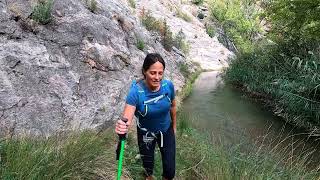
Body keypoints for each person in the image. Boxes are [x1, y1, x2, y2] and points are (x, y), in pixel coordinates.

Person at [115, 53, 177, 180]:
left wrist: (174, 126)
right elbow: (127, 117)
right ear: (145, 71)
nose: (157, 77)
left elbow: (172, 107)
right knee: (147, 168)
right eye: (153, 73)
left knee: (170, 171)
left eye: (160, 73)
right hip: (145, 134)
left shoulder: (168, 86)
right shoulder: (136, 92)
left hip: (166, 131)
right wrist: (122, 126)